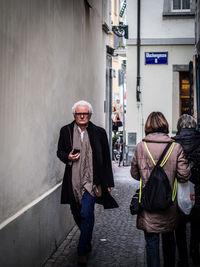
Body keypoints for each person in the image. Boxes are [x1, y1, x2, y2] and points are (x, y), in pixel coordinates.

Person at [57, 100, 118, 265]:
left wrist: (107, 183)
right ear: (74, 115)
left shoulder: (99, 132)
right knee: (76, 213)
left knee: (86, 213)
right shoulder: (66, 131)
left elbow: (106, 159)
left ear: (90, 115)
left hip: (92, 182)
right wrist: (67, 157)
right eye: (78, 113)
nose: (82, 116)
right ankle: (87, 237)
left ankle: (82, 250)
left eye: (85, 113)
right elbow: (60, 152)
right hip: (72, 181)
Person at [130, 111, 191, 267]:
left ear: (148, 125)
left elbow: (135, 174)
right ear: (165, 125)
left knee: (151, 244)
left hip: (148, 204)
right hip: (169, 204)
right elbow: (184, 176)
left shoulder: (140, 147)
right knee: (169, 241)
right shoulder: (175, 147)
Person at [173, 114, 200, 267]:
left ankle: (182, 258)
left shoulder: (173, 143)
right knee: (197, 224)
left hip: (179, 191)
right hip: (198, 190)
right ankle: (195, 252)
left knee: (180, 227)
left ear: (179, 126)